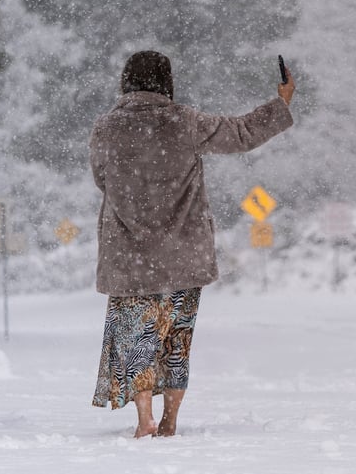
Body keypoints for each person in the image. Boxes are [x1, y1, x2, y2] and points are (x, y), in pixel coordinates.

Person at [90, 50, 295, 437]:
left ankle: (144, 418)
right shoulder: (185, 122)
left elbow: (101, 179)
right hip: (182, 254)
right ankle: (170, 420)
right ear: (166, 81)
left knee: (137, 337)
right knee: (176, 338)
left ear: (126, 81)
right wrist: (282, 101)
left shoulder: (106, 127)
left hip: (130, 257)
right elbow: (243, 133)